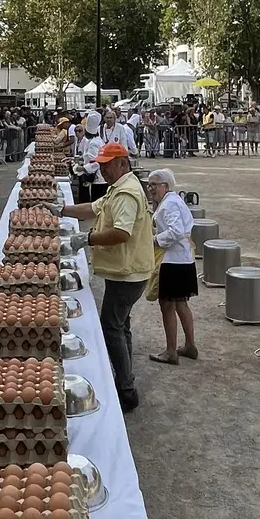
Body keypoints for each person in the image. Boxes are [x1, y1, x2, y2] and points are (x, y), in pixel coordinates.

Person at [60, 141, 153, 414]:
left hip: (128, 272)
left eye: (107, 165)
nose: (102, 170)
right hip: (126, 269)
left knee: (111, 327)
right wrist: (62, 209)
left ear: (122, 163)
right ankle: (125, 377)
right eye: (100, 165)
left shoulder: (126, 193)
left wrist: (87, 238)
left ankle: (126, 390)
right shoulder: (118, 187)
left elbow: (122, 233)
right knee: (121, 325)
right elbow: (93, 208)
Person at [145, 168, 198, 365]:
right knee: (181, 303)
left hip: (173, 261)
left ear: (165, 186)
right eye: (149, 185)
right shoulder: (171, 201)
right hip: (183, 259)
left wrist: (153, 240)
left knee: (167, 305)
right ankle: (190, 345)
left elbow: (175, 231)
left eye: (154, 185)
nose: (150, 189)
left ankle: (170, 351)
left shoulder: (169, 205)